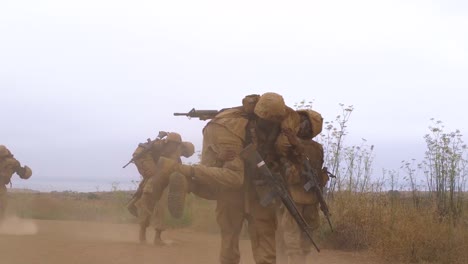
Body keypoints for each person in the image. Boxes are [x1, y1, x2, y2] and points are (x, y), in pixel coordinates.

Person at [143, 92, 301, 264]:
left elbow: (289, 150)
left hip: (259, 191)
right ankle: (179, 170)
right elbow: (229, 172)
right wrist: (221, 158)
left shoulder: (285, 127)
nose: (273, 124)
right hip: (234, 189)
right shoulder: (231, 127)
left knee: (261, 238)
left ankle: (187, 180)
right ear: (259, 116)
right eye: (269, 121)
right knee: (232, 236)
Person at [278, 109, 330, 264]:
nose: (300, 126)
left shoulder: (297, 144)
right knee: (299, 236)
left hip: (299, 197)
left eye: (303, 123)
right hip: (304, 197)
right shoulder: (313, 147)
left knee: (296, 236)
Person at [127, 133, 195, 244]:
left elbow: (175, 171)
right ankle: (143, 235)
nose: (182, 154)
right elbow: (144, 159)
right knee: (148, 202)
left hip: (160, 184)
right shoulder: (159, 146)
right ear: (180, 146)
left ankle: (156, 237)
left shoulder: (175, 156)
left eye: (185, 155)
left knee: (160, 207)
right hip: (149, 172)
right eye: (184, 152)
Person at [0, 145, 32, 221]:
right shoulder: (13, 162)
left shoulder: (13, 162)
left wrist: (25, 172)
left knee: (2, 205)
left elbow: (23, 173)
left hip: (1, 186)